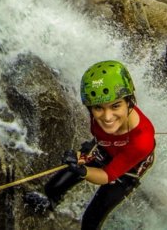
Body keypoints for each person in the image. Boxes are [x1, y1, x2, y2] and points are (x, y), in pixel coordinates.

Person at [24, 60, 156, 229]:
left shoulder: (142, 141)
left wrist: (83, 170)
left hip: (128, 169)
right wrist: (76, 158)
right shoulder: (96, 115)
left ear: (129, 102)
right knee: (53, 187)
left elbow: (107, 175)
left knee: (91, 220)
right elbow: (98, 141)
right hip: (104, 149)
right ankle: (49, 202)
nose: (107, 118)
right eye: (98, 108)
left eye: (116, 106)